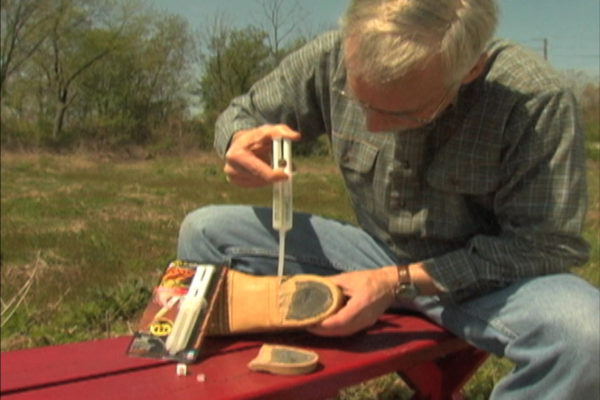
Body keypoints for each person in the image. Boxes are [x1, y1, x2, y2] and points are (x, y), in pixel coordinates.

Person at [177, 0, 600, 398]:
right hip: (372, 257)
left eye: (402, 114)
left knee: (587, 336)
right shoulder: (331, 56)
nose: (372, 126)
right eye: (357, 101)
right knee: (207, 233)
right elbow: (243, 113)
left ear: (471, 69)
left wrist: (394, 282)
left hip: (489, 283)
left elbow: (544, 245)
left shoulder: (534, 99)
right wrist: (238, 142)